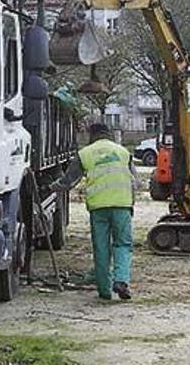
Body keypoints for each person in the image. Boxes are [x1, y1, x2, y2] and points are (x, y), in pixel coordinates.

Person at [51, 123, 137, 300]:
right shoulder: (123, 152)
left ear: (92, 135)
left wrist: (51, 187)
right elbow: (134, 182)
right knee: (122, 244)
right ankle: (121, 280)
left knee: (101, 248)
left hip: (98, 208)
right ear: (109, 134)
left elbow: (68, 181)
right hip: (122, 206)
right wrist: (131, 204)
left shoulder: (85, 154)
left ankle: (104, 291)